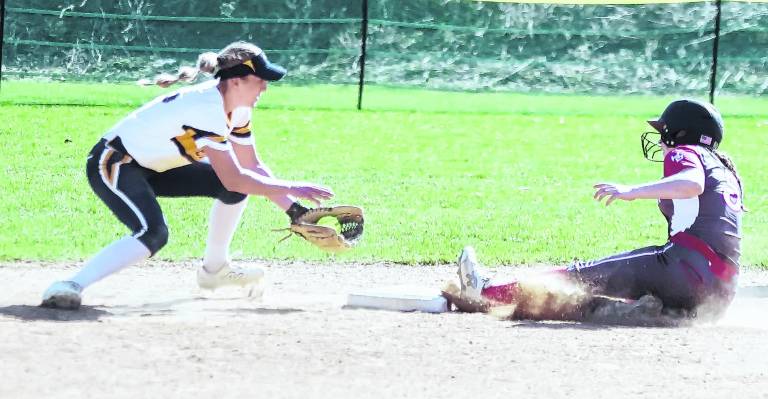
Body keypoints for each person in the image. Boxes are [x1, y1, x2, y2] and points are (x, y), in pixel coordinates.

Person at [41, 41, 332, 310]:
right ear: (236, 81)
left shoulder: (238, 110)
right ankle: (70, 284)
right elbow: (235, 177)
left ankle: (215, 270)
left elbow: (251, 167)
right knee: (153, 233)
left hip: (157, 166)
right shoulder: (207, 108)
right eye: (260, 80)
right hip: (115, 163)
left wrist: (296, 210)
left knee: (233, 190)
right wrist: (292, 186)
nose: (265, 87)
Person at [451, 99, 745, 321]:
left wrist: (631, 191)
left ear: (680, 133)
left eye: (664, 132)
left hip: (686, 270)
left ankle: (484, 292)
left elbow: (691, 183)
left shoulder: (686, 152)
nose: (659, 140)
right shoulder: (726, 171)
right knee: (623, 283)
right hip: (718, 292)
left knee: (582, 275)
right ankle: (645, 310)